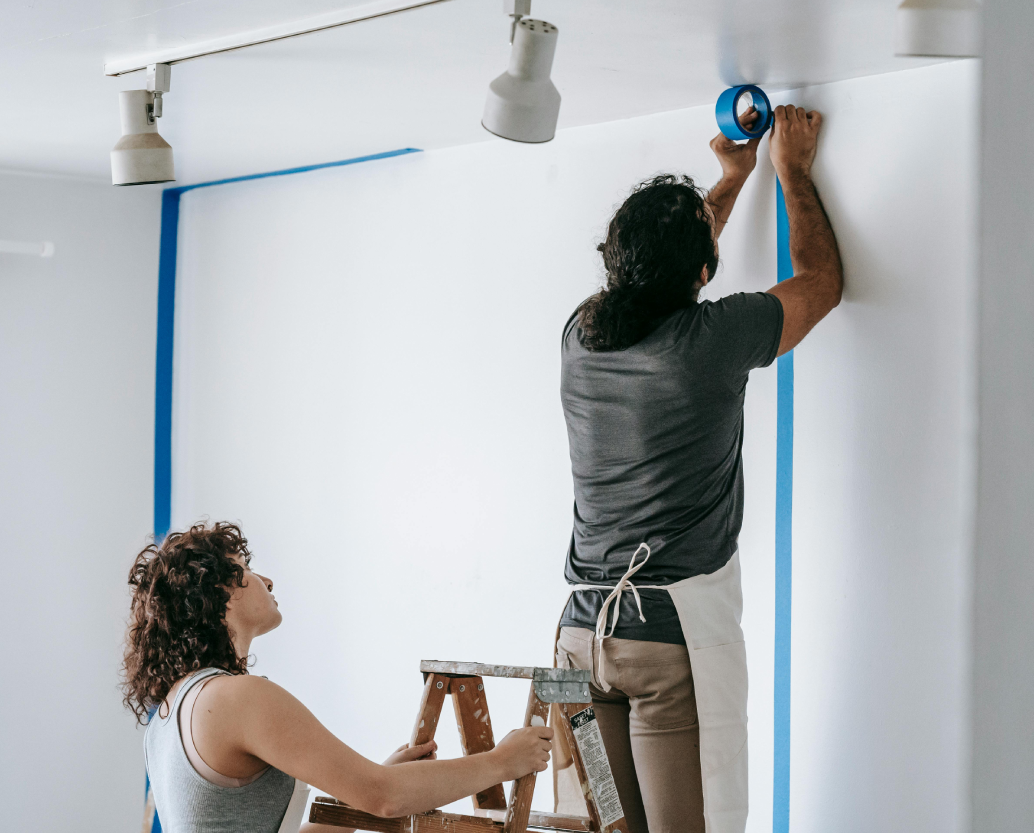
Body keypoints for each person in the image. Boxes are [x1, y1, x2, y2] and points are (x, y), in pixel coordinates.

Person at [552, 105, 842, 833]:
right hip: (660, 648)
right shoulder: (709, 341)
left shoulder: (581, 333)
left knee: (601, 828)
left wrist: (727, 180)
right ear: (705, 272)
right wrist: (791, 174)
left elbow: (664, 269)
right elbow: (821, 282)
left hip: (574, 647)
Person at [123, 521, 552, 833]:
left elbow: (375, 793)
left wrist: (364, 785)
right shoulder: (238, 698)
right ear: (220, 592)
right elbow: (385, 797)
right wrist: (504, 761)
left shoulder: (169, 714)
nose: (267, 580)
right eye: (245, 569)